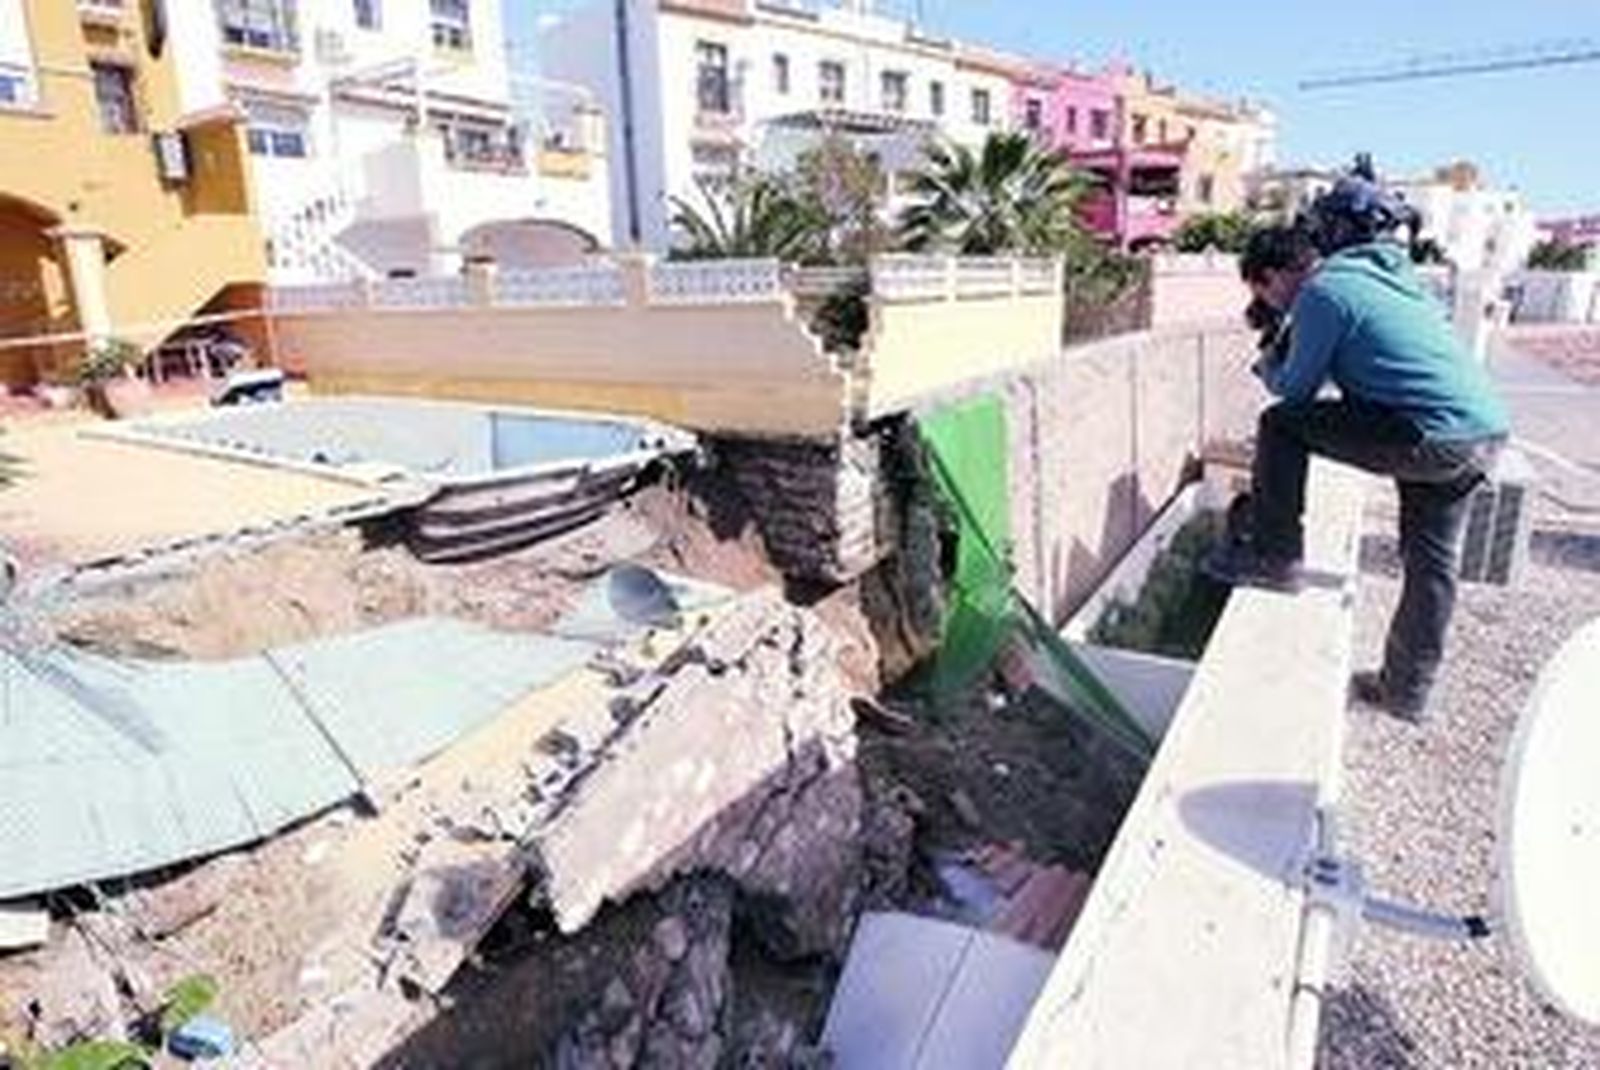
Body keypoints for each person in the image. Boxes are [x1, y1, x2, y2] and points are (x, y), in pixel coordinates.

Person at [1204, 195, 1509, 724]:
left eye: (1264, 291)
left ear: (1276, 275)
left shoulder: (1324, 292)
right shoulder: (1387, 280)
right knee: (1431, 566)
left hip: (1428, 433)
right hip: (1480, 432)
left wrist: (1268, 361)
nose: (1271, 304)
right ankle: (1406, 692)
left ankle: (1276, 559)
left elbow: (1295, 393)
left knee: (1280, 427)